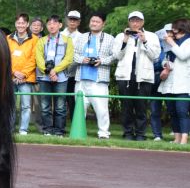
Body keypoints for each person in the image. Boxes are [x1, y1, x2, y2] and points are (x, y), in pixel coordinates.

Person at [113, 11, 161, 140]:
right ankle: (128, 133)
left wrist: (144, 41)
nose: (135, 23)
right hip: (125, 76)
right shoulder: (120, 36)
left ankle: (140, 134)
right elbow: (117, 56)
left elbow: (155, 56)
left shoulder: (151, 36)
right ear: (129, 22)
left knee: (141, 106)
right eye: (132, 21)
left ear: (143, 22)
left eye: (138, 21)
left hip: (144, 76)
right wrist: (125, 40)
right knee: (126, 106)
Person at [73, 12, 115, 139]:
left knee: (101, 108)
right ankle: (79, 132)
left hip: (99, 79)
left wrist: (101, 61)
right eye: (92, 21)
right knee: (80, 108)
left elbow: (114, 57)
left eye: (97, 21)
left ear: (103, 24)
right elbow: (73, 53)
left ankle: (103, 133)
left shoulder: (109, 38)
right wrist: (82, 59)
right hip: (81, 78)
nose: (94, 23)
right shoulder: (82, 37)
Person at [35, 15, 74, 137]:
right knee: (45, 106)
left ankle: (59, 130)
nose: (52, 25)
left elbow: (68, 59)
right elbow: (39, 58)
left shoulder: (67, 40)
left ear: (60, 25)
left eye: (55, 23)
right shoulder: (41, 41)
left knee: (60, 106)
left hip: (61, 77)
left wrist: (55, 71)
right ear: (46, 26)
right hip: (44, 77)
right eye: (49, 23)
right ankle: (47, 129)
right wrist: (47, 71)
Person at [158, 18, 190, 145]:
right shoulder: (173, 42)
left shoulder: (188, 41)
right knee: (172, 111)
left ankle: (184, 139)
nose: (173, 30)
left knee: (182, 111)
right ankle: (176, 138)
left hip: (183, 83)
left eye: (175, 27)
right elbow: (165, 58)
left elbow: (183, 55)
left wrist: (172, 43)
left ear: (182, 27)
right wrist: (166, 64)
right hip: (170, 81)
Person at [7, 13, 37, 134]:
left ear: (27, 24)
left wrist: (23, 73)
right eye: (18, 23)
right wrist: (14, 72)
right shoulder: (8, 38)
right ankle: (10, 128)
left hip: (26, 78)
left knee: (26, 106)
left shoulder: (35, 39)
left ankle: (23, 129)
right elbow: (6, 57)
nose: (20, 25)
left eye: (23, 23)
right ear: (15, 24)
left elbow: (34, 58)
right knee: (11, 105)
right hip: (11, 77)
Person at [61, 10, 83, 120]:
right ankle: (59, 123)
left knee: (72, 99)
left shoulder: (82, 37)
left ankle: (75, 123)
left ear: (79, 22)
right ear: (66, 20)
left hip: (74, 73)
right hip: (59, 73)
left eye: (75, 20)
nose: (72, 22)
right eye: (71, 19)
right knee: (60, 100)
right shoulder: (59, 34)